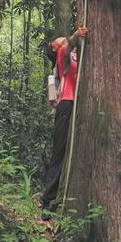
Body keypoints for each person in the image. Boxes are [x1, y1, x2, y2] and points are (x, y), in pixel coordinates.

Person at [41, 23, 89, 210]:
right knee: (60, 150)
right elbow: (69, 44)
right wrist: (76, 34)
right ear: (55, 48)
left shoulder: (76, 54)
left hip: (78, 104)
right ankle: (48, 197)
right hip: (66, 104)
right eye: (56, 41)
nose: (59, 39)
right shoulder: (62, 55)